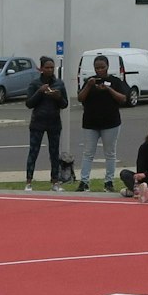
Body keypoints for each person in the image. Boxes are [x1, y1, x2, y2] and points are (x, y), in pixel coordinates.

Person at [75, 54, 129, 193]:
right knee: (88, 153)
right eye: (97, 68)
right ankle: (84, 182)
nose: (99, 70)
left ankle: (109, 182)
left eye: (102, 67)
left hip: (110, 123)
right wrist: (88, 85)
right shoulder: (89, 81)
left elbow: (123, 98)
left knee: (110, 153)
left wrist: (108, 89)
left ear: (107, 67)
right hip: (90, 123)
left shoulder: (115, 81)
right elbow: (80, 98)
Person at [24, 55, 68, 191]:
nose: (50, 70)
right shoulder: (35, 84)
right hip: (38, 122)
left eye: (51, 67)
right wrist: (40, 91)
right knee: (33, 151)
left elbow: (65, 104)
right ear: (41, 69)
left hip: (54, 122)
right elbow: (29, 103)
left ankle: (55, 181)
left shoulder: (59, 84)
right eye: (47, 67)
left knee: (54, 153)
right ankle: (29, 182)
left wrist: (58, 96)